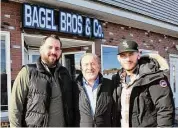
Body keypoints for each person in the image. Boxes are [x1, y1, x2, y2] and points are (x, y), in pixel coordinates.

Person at [9, 35, 74, 127]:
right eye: (50, 47)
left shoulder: (65, 73)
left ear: (60, 52)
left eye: (57, 48)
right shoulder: (28, 72)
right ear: (41, 50)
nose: (53, 51)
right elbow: (15, 107)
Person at [112, 40, 174, 127]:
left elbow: (165, 110)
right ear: (118, 58)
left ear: (138, 54)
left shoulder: (154, 76)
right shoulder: (117, 79)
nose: (128, 59)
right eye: (123, 55)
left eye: (131, 54)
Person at [73, 53, 115, 127]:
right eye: (86, 64)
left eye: (93, 64)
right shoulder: (73, 87)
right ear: (81, 68)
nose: (90, 67)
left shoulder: (110, 85)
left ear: (98, 66)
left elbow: (116, 112)